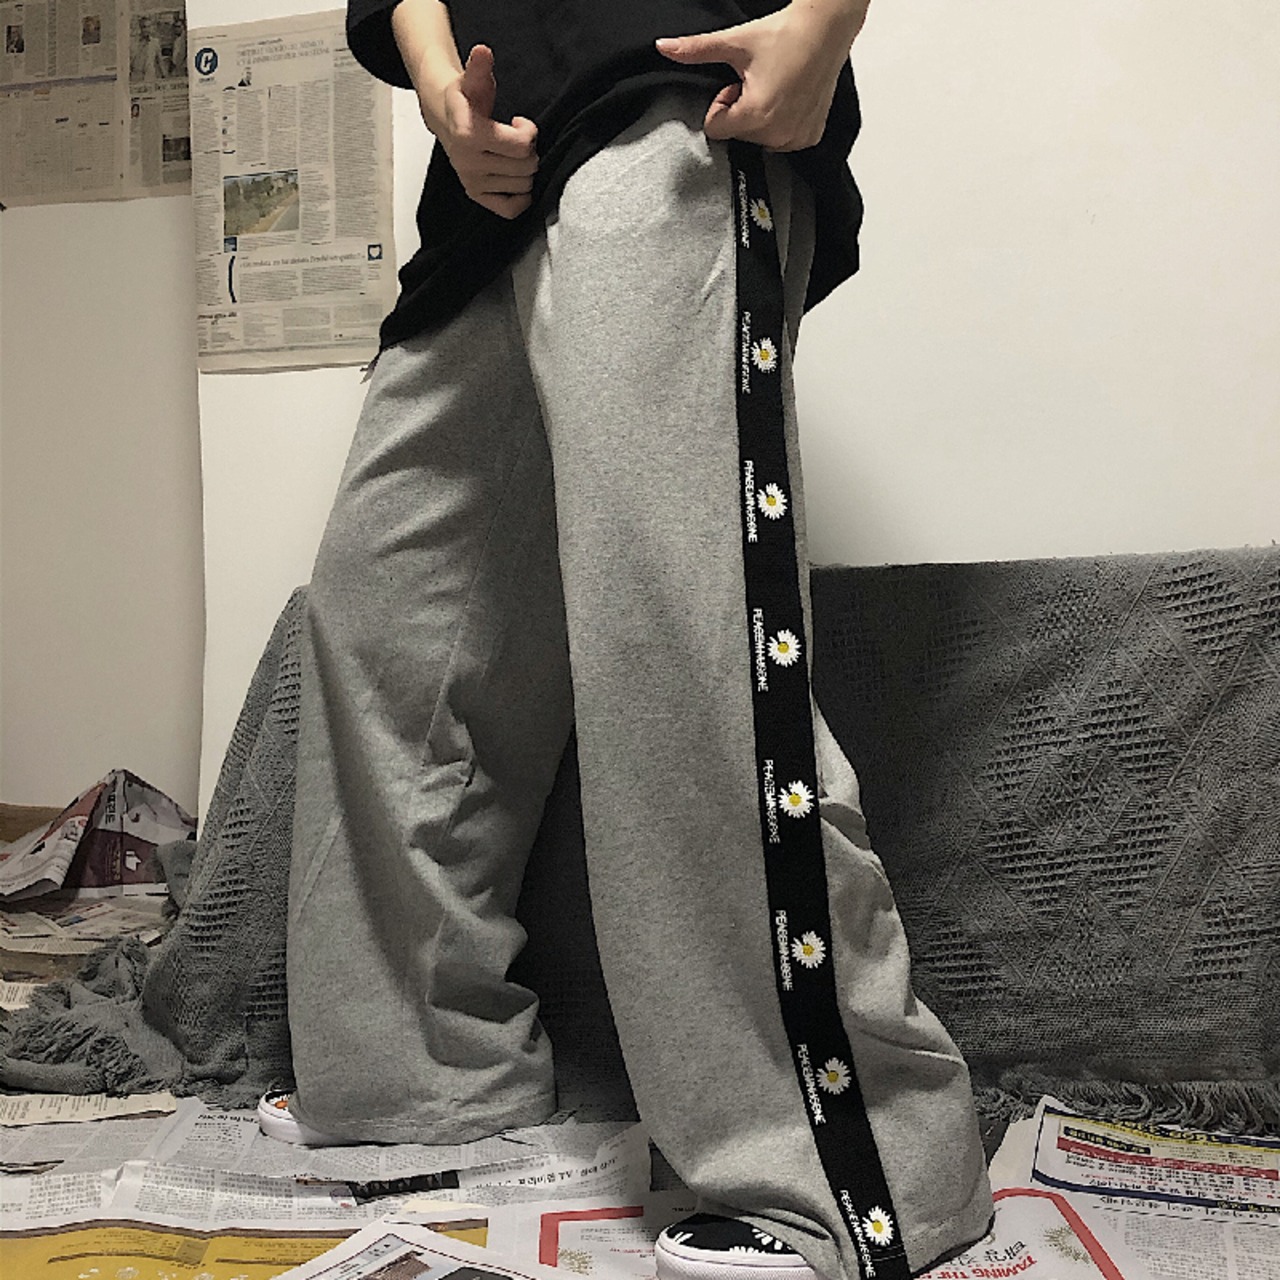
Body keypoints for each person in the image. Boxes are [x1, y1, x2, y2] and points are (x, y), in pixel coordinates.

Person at [260, 2, 995, 1277]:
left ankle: (856, 1164)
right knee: (384, 625)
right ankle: (424, 1077)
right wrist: (438, 89)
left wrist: (823, 23)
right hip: (483, 190)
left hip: (671, 109)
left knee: (677, 635)